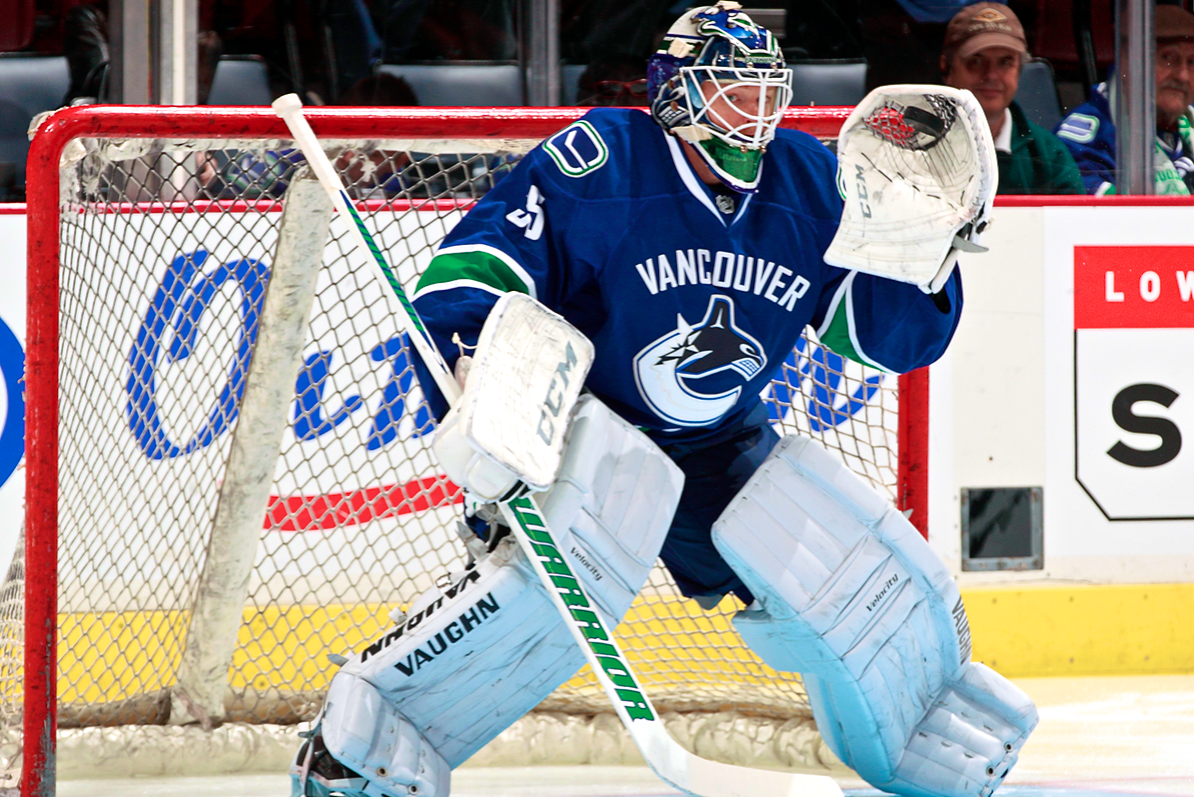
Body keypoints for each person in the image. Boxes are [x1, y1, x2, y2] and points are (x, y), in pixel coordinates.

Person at [289, 6, 1037, 797]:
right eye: (731, 92)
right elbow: (471, 273)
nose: (755, 116)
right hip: (588, 431)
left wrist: (923, 256)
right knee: (557, 590)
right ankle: (361, 743)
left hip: (719, 443)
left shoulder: (807, 181)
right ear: (677, 95)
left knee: (847, 568)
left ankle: (917, 730)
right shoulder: (603, 159)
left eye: (766, 93)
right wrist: (479, 383)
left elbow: (886, 340)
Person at [940, 3, 1085, 194]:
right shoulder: (915, 146)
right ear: (946, 68)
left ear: (1019, 71)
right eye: (976, 61)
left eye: (1005, 62)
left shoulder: (1050, 154)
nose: (991, 75)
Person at [1055, 3, 1194, 195]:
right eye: (1168, 58)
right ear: (1128, 59)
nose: (1183, 76)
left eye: (1192, 62)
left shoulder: (1188, 123)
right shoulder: (1087, 139)